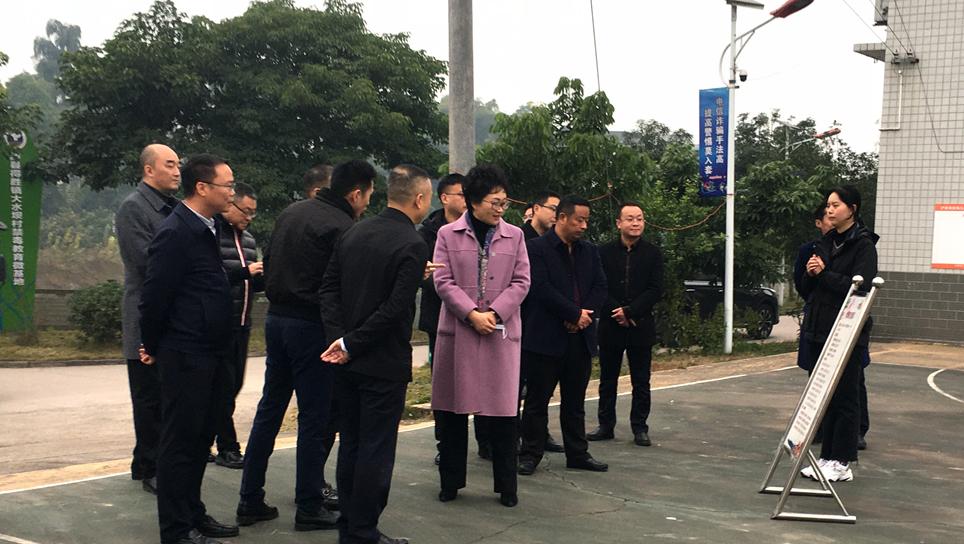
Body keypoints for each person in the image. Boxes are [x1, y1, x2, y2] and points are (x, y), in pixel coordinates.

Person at [237, 160, 376, 531]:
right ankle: (309, 504)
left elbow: (269, 264)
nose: (367, 206)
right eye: (368, 197)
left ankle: (249, 498)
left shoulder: (291, 213)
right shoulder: (343, 227)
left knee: (270, 409)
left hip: (276, 320)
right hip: (312, 326)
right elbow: (343, 287)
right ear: (355, 194)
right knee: (315, 418)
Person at [319, 164, 433, 544]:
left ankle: (349, 527)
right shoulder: (412, 243)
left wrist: (340, 341)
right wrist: (352, 343)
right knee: (376, 450)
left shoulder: (354, 231)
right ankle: (364, 530)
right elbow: (395, 309)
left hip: (346, 360)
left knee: (351, 443)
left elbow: (329, 290)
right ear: (419, 198)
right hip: (382, 362)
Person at [138, 154, 239, 544]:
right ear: (202, 188)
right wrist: (152, 343)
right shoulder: (176, 231)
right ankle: (176, 529)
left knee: (201, 439)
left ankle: (193, 513)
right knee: (180, 442)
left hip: (211, 350)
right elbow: (154, 295)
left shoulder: (208, 227)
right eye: (227, 186)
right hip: (185, 352)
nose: (232, 192)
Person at [431, 164, 530, 507]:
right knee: (452, 415)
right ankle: (450, 483)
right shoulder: (447, 235)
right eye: (494, 202)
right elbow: (442, 280)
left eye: (504, 202)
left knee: (503, 417)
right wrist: (471, 314)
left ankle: (507, 487)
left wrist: (496, 312)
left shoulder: (515, 236)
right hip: (459, 331)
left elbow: (522, 282)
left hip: (499, 334)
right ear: (474, 201)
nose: (501, 209)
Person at [518, 196, 608, 476]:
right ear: (562, 218)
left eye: (587, 220)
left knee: (575, 401)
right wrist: (572, 314)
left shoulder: (589, 251)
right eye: (579, 220)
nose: (584, 226)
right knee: (537, 401)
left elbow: (600, 287)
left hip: (579, 338)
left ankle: (577, 453)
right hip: (545, 337)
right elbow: (539, 288)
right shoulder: (536, 248)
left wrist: (583, 316)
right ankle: (530, 453)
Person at [799, 186, 878, 483]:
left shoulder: (863, 245)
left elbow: (861, 288)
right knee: (826, 398)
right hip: (820, 329)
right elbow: (809, 289)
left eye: (836, 205)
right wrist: (811, 274)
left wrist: (824, 274)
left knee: (845, 397)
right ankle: (827, 457)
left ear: (852, 209)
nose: (830, 210)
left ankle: (842, 461)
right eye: (828, 206)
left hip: (847, 332)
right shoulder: (826, 242)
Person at [116, 143, 180, 495]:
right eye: (169, 164)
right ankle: (150, 466)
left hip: (171, 314)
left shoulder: (174, 208)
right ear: (149, 170)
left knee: (167, 393)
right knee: (148, 395)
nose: (177, 171)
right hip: (144, 314)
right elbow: (146, 262)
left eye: (178, 165)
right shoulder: (134, 208)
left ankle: (149, 460)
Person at [588, 203, 663, 447]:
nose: (635, 223)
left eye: (639, 218)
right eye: (630, 219)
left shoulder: (653, 253)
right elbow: (599, 286)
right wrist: (617, 312)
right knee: (608, 379)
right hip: (611, 324)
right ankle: (605, 425)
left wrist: (631, 311)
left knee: (641, 380)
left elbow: (655, 289)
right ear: (619, 223)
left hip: (640, 324)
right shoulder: (603, 252)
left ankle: (640, 427)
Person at [209, 182, 263, 469]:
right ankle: (228, 447)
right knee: (222, 387)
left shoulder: (249, 240)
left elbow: (251, 284)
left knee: (233, 386)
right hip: (218, 324)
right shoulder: (212, 235)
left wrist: (263, 277)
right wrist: (243, 272)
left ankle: (206, 439)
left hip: (243, 324)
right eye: (246, 211)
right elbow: (208, 277)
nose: (249, 217)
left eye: (253, 212)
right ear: (230, 205)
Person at [416, 173, 468, 465]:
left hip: (475, 317)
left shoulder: (478, 228)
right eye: (461, 194)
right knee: (445, 385)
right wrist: (451, 286)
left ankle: (488, 441)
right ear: (445, 197)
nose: (466, 199)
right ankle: (445, 444)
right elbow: (423, 275)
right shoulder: (427, 233)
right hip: (440, 317)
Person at [519, 190, 565, 454]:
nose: (556, 215)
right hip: (520, 319)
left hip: (544, 322)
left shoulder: (555, 242)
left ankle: (538, 434)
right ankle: (506, 438)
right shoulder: (518, 237)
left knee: (540, 388)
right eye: (552, 209)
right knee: (514, 387)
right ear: (536, 209)